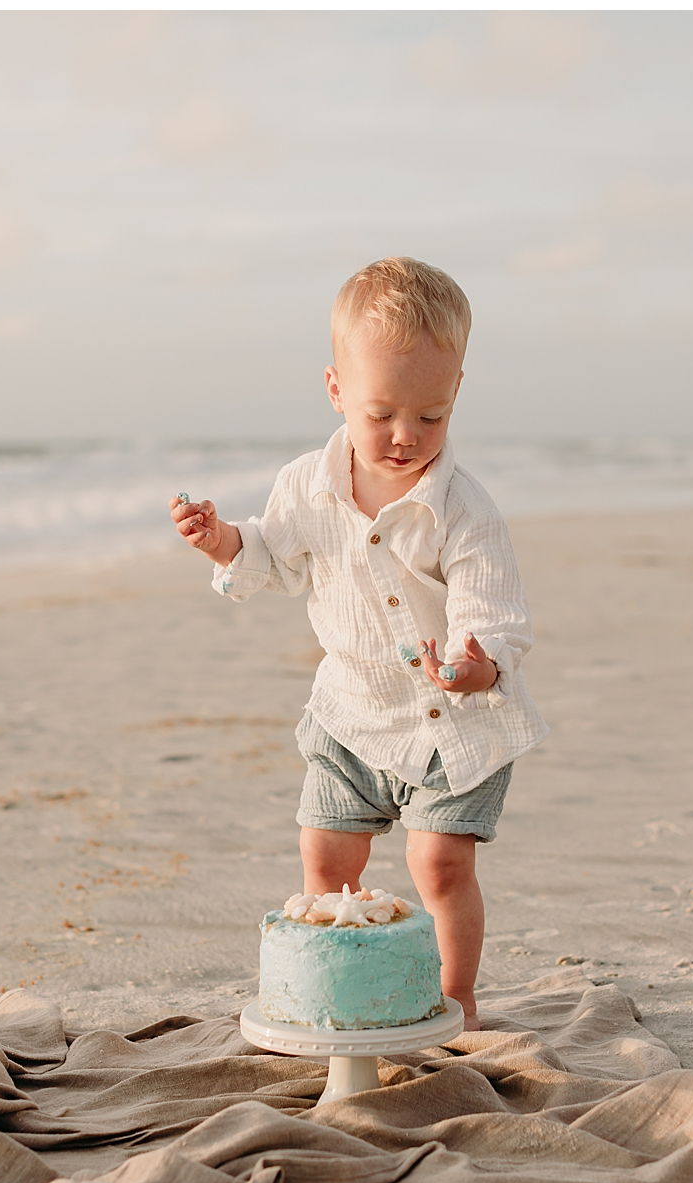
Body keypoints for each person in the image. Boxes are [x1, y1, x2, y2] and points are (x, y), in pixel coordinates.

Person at [168, 256, 547, 1030]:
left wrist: (480, 663)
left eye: (431, 416)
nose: (406, 437)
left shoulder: (465, 510)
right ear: (337, 390)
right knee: (326, 856)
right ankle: (343, 987)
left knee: (437, 864)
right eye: (382, 415)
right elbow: (272, 554)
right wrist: (223, 543)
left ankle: (455, 996)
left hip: (453, 728)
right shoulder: (308, 484)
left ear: (456, 395)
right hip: (351, 714)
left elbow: (494, 605)